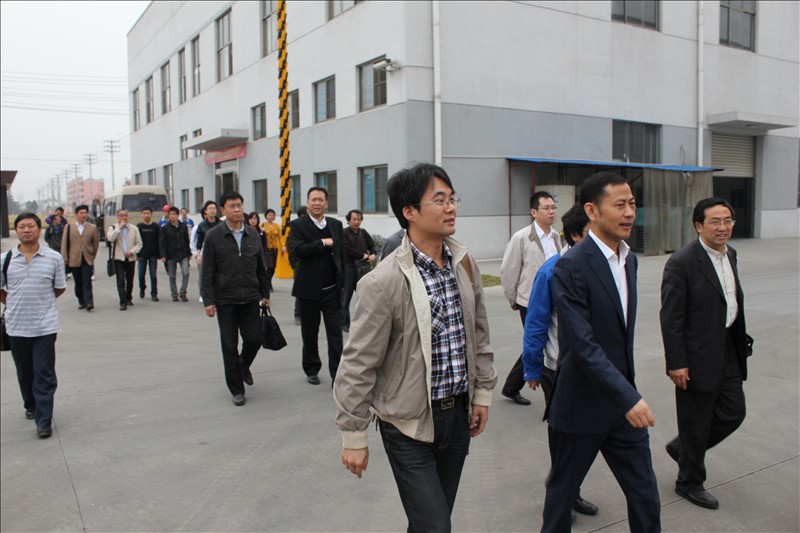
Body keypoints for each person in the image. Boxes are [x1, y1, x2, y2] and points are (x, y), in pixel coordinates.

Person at [334, 163, 497, 532]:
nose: (451, 207)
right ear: (409, 211)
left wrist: (482, 394)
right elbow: (358, 362)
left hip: (457, 416)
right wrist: (353, 434)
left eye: (452, 198)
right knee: (436, 526)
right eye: (439, 200)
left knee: (430, 523)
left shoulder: (464, 264)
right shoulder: (383, 282)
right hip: (406, 425)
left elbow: (479, 332)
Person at [541, 172, 660, 532]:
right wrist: (628, 397)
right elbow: (582, 344)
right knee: (562, 495)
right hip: (582, 405)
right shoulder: (572, 265)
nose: (629, 212)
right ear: (592, 210)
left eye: (632, 204)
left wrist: (625, 394)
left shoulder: (629, 260)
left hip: (622, 406)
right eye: (619, 205)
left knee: (645, 494)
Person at [660, 197, 751, 510]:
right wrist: (677, 363)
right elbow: (671, 318)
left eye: (727, 220)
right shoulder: (682, 262)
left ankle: (684, 449)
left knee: (733, 413)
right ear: (699, 226)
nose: (723, 227)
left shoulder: (731, 254)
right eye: (715, 221)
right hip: (696, 355)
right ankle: (689, 482)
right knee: (696, 422)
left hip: (728, 348)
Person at [521, 203, 599, 518]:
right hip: (559, 370)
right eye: (594, 232)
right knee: (564, 436)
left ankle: (570, 490)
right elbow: (536, 323)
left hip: (595, 370)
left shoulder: (605, 266)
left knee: (588, 436)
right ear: (578, 235)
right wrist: (532, 368)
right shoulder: (552, 271)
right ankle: (561, 497)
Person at [1, 213, 67, 439]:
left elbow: (59, 288)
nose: (26, 230)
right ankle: (31, 404)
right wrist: (15, 303)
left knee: (44, 372)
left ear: (39, 229)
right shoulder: (5, 259)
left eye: (31, 226)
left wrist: (41, 303)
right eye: (22, 226)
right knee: (25, 371)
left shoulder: (53, 258)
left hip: (45, 326)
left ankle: (44, 419)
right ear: (16, 230)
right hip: (16, 326)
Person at [202, 192, 270, 406]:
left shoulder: (252, 233)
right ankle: (236, 389)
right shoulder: (213, 236)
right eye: (232, 206)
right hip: (225, 299)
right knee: (229, 344)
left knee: (255, 339)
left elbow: (261, 267)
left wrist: (265, 293)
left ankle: (242, 365)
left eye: (239, 205)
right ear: (223, 210)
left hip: (250, 297)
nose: (237, 209)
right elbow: (207, 271)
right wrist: (209, 300)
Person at [499, 191, 562, 406]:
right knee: (538, 343)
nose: (551, 212)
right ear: (534, 212)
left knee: (536, 343)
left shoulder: (556, 236)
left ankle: (511, 387)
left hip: (552, 300)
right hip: (529, 302)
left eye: (553, 207)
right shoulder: (522, 237)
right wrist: (514, 300)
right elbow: (509, 272)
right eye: (546, 208)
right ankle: (552, 398)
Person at [287, 188, 345, 385]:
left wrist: (343, 282)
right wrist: (322, 243)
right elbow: (297, 250)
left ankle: (337, 374)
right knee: (310, 333)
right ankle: (311, 368)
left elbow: (341, 254)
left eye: (321, 200)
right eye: (314, 200)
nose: (317, 203)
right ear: (308, 203)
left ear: (326, 203)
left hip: (332, 290)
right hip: (308, 291)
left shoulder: (336, 225)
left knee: (335, 335)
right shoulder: (298, 225)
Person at [341, 209, 376, 332]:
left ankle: (364, 323)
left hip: (363, 269)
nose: (356, 222)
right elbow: (346, 249)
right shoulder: (344, 233)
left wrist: (373, 254)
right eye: (354, 219)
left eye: (359, 219)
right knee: (345, 298)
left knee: (364, 298)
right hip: (349, 269)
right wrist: (362, 255)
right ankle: (344, 323)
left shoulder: (363, 232)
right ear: (348, 220)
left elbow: (372, 246)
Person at [60, 204, 99, 311]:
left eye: (85, 213)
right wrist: (65, 258)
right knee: (78, 282)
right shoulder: (69, 227)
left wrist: (92, 255)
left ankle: (89, 302)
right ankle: (81, 301)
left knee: (87, 281)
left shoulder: (92, 228)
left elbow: (95, 244)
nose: (83, 215)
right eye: (81, 213)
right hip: (74, 259)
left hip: (87, 258)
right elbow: (64, 244)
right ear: (76, 214)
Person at [106, 209, 143, 311]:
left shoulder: (134, 229)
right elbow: (110, 239)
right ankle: (122, 302)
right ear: (118, 217)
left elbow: (139, 243)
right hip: (118, 258)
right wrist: (119, 229)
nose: (124, 217)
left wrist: (132, 251)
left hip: (130, 258)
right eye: (121, 216)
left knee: (130, 279)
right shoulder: (112, 228)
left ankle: (128, 297)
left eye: (126, 215)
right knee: (121, 280)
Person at [159, 206, 191, 302]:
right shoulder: (165, 228)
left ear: (178, 215)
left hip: (183, 253)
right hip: (171, 254)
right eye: (170, 214)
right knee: (172, 276)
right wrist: (163, 255)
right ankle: (174, 294)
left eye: (174, 214)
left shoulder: (183, 226)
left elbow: (186, 240)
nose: (172, 216)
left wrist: (189, 253)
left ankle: (183, 293)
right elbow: (162, 242)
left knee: (186, 273)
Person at [195, 200, 221, 304]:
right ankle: (203, 294)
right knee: (204, 275)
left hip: (220, 252)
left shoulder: (221, 224)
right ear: (205, 211)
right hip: (207, 253)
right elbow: (199, 242)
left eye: (214, 208)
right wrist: (198, 255)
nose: (212, 210)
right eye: (210, 208)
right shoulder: (202, 225)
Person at [137, 207, 161, 301]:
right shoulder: (139, 227)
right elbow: (136, 241)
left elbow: (159, 240)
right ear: (141, 214)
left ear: (151, 214)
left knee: (153, 275)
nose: (146, 215)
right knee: (141, 274)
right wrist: (136, 254)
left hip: (153, 254)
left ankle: (154, 293)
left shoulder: (155, 226)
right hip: (142, 255)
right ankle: (142, 288)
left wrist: (160, 254)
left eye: (148, 213)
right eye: (144, 213)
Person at [261, 208, 284, 291]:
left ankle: (268, 281)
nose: (270, 217)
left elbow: (280, 237)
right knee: (269, 266)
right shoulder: (262, 225)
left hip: (275, 249)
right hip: (266, 249)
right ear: (266, 216)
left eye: (272, 215)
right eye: (269, 215)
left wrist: (283, 246)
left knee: (273, 267)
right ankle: (267, 284)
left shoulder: (277, 226)